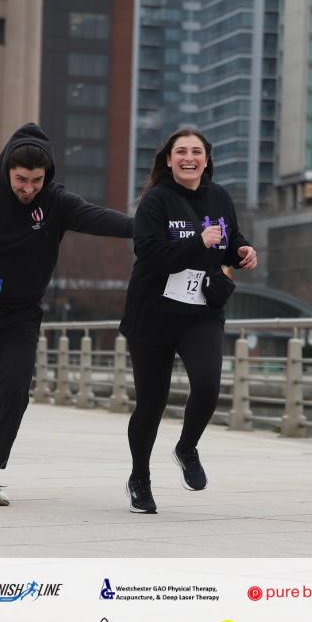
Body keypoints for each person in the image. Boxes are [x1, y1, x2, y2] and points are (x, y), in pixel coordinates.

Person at [0, 122, 133, 506]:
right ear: (7, 169)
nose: (28, 188)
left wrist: (148, 228)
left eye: (37, 180)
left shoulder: (54, 202)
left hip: (20, 315)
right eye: (21, 179)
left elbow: (99, 218)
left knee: (16, 389)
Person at [118, 128, 257, 514]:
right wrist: (198, 242)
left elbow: (228, 240)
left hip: (201, 311)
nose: (189, 158)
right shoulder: (155, 201)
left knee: (209, 384)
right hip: (154, 314)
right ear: (169, 160)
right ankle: (139, 479)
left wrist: (242, 250)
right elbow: (149, 254)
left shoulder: (220, 197)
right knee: (151, 403)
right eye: (181, 151)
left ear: (206, 160)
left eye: (197, 151)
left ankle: (187, 447)